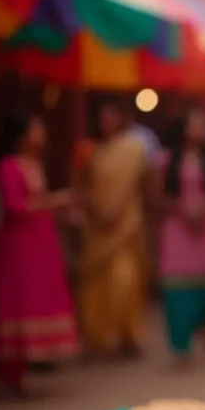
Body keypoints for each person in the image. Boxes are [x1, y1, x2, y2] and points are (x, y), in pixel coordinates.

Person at [0, 112, 79, 396]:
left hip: (40, 242)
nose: (42, 133)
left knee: (33, 300)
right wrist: (54, 201)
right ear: (22, 134)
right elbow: (15, 207)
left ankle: (21, 372)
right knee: (16, 302)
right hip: (18, 246)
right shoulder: (8, 166)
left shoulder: (33, 164)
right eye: (36, 127)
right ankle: (8, 375)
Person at [78, 100, 150, 360]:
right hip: (97, 226)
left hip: (125, 225)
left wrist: (119, 211)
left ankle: (128, 336)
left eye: (111, 116)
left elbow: (144, 184)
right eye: (102, 117)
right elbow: (82, 185)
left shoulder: (134, 149)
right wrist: (96, 209)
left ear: (121, 119)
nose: (106, 122)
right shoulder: (90, 151)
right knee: (96, 286)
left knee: (125, 281)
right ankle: (100, 339)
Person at [155, 109, 205, 368]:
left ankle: (202, 323)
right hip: (177, 228)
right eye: (195, 125)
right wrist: (182, 210)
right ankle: (180, 348)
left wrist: (204, 209)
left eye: (203, 125)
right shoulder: (166, 160)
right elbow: (157, 195)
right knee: (177, 291)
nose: (200, 130)